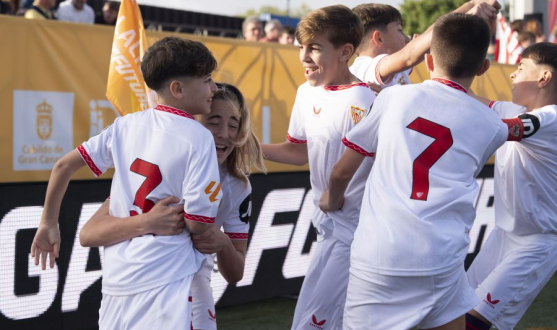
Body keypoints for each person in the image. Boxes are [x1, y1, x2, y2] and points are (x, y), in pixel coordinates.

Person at [320, 13, 532, 329]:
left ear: (429, 60)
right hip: (442, 259)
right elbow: (499, 122)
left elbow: (341, 172)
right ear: (483, 68)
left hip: (382, 258)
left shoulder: (393, 97)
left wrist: (330, 199)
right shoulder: (490, 126)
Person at [30, 36, 222, 329]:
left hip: (117, 282)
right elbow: (198, 224)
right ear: (177, 89)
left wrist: (48, 223)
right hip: (168, 279)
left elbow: (62, 166)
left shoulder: (124, 125)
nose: (214, 88)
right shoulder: (199, 137)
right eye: (207, 80)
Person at [80, 82, 266, 330]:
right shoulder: (167, 163)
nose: (224, 133)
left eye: (233, 124)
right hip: (130, 289)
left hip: (190, 294)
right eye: (213, 122)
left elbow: (235, 273)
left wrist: (222, 245)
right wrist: (147, 222)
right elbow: (88, 234)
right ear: (191, 125)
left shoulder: (238, 187)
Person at [262, 5, 376, 330]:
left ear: (346, 52)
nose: (304, 57)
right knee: (307, 321)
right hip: (327, 229)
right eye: (301, 47)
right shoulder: (304, 92)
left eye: (314, 47)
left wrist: (334, 195)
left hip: (358, 234)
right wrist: (244, 149)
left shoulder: (364, 101)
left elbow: (349, 170)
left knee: (312, 325)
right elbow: (298, 152)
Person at [465, 42, 557, 330]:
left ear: (544, 77)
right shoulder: (513, 109)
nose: (512, 75)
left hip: (536, 244)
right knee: (455, 311)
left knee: (472, 322)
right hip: (503, 235)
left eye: (521, 68)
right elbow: (466, 99)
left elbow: (509, 127)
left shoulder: (550, 118)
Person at [350, 2, 500, 89]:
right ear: (379, 38)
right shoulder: (366, 67)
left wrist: (470, 4)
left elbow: (431, 32)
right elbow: (410, 55)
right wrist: (468, 17)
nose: (407, 38)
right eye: (400, 30)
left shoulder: (392, 68)